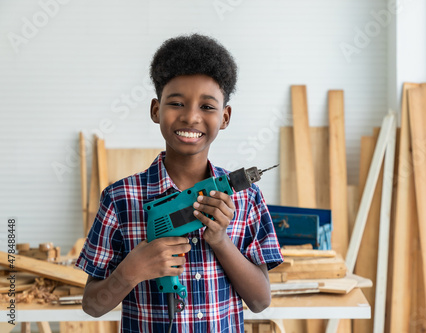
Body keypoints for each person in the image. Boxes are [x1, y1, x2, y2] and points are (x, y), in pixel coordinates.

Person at [76, 33, 283, 332]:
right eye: (177, 103)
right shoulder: (121, 198)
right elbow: (92, 305)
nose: (191, 117)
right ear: (156, 110)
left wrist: (220, 241)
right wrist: (130, 272)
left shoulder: (247, 199)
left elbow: (261, 301)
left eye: (207, 107)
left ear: (224, 117)